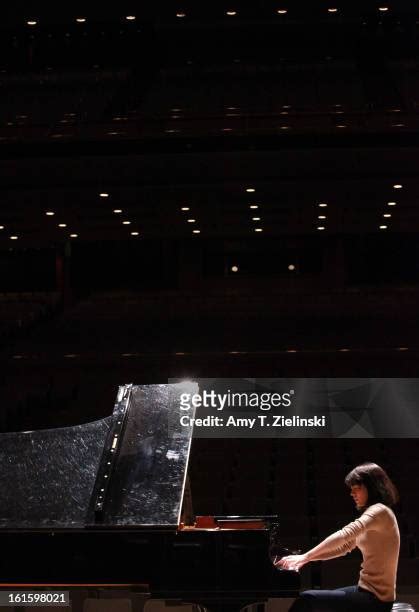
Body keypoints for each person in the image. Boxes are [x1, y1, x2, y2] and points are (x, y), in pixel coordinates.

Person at [276, 462, 400, 611]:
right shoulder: (377, 514)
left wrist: (305, 556)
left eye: (357, 488)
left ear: (372, 488)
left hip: (375, 600)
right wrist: (307, 559)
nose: (352, 493)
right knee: (311, 600)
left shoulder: (380, 511)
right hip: (365, 591)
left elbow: (345, 534)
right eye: (351, 489)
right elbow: (344, 547)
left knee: (307, 600)